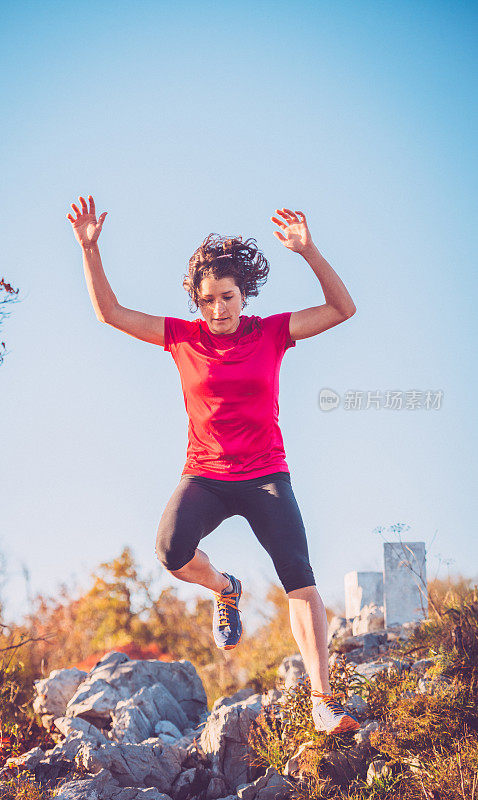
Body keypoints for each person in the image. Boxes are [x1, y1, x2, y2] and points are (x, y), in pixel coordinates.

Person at [67, 195, 359, 734]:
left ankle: (323, 703)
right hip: (206, 474)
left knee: (299, 577)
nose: (219, 309)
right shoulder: (182, 337)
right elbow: (110, 313)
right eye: (208, 301)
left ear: (244, 296)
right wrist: (91, 250)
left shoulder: (271, 333)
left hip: (266, 475)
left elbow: (344, 309)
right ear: (197, 303)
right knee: (169, 552)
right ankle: (226, 588)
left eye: (228, 297)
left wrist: (310, 251)